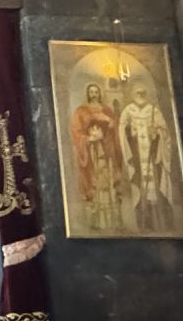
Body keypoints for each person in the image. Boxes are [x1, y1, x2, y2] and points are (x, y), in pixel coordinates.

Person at [119, 83, 175, 233]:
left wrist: (156, 133)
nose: (141, 95)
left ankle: (161, 223)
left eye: (143, 92)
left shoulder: (154, 111)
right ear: (133, 94)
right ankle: (144, 224)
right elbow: (122, 132)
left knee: (156, 187)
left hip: (153, 158)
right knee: (140, 189)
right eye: (138, 93)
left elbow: (165, 133)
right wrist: (131, 132)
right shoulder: (128, 111)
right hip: (137, 158)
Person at [70, 83, 123, 231]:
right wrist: (89, 139)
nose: (94, 94)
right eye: (91, 92)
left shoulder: (107, 110)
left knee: (109, 183)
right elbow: (76, 132)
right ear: (88, 94)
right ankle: (95, 222)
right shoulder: (81, 111)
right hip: (91, 152)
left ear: (100, 94)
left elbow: (114, 131)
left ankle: (113, 222)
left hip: (106, 153)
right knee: (94, 184)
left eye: (96, 92)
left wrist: (110, 124)